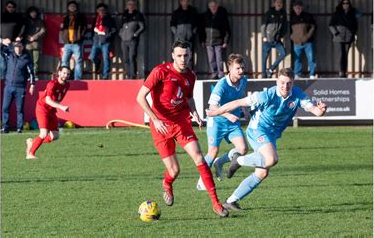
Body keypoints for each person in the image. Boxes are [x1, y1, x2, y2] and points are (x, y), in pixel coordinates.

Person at [206, 68, 327, 211]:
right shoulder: (266, 95)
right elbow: (238, 102)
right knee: (271, 159)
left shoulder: (297, 95)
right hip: (258, 129)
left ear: (293, 83)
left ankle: (231, 201)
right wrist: (216, 112)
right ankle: (238, 160)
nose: (285, 86)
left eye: (289, 83)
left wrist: (321, 110)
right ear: (277, 81)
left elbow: (315, 111)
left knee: (262, 172)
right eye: (282, 83)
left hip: (271, 134)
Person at [136, 40, 229, 217]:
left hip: (181, 123)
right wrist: (155, 120)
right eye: (179, 55)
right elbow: (140, 97)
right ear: (172, 56)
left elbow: (189, 98)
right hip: (161, 126)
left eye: (186, 55)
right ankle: (167, 184)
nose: (183, 59)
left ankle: (216, 204)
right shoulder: (160, 72)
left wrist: (194, 113)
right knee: (174, 170)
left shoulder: (190, 76)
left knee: (199, 158)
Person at [196, 54, 249, 191]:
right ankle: (202, 179)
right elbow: (213, 107)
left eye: (242, 67)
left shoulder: (243, 80)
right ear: (229, 69)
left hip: (232, 123)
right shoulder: (222, 85)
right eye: (238, 68)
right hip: (217, 122)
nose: (241, 71)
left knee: (243, 149)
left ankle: (219, 163)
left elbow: (242, 95)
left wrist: (245, 110)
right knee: (212, 152)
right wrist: (227, 115)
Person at [26, 66, 71, 159]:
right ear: (59, 73)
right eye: (64, 73)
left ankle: (32, 142)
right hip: (42, 108)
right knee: (43, 133)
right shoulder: (52, 84)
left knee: (55, 136)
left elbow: (57, 99)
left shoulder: (67, 85)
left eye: (68, 74)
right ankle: (30, 154)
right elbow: (48, 100)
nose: (66, 75)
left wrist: (58, 106)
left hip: (51, 110)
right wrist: (62, 107)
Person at [1, 41, 35, 134]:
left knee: (19, 109)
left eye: (19, 47)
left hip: (20, 88)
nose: (17, 48)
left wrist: (32, 85)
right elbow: (0, 49)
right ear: (14, 48)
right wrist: (2, 41)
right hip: (8, 86)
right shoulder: (9, 55)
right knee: (5, 108)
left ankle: (19, 128)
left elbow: (31, 72)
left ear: (22, 47)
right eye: (16, 47)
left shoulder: (26, 58)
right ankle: (5, 128)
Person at [199, 0, 231, 79]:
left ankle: (220, 74)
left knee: (219, 59)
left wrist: (225, 41)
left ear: (217, 6)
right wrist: (202, 40)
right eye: (211, 6)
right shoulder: (205, 16)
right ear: (209, 7)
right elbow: (201, 29)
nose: (213, 8)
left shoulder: (221, 16)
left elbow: (227, 29)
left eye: (214, 6)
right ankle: (214, 73)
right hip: (208, 42)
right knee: (211, 59)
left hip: (219, 41)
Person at [329, 0, 358, 78]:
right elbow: (331, 25)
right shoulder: (336, 13)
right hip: (338, 38)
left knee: (345, 55)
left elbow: (355, 26)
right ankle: (340, 72)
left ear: (349, 4)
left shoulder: (352, 14)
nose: (345, 5)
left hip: (348, 38)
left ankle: (344, 72)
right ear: (341, 4)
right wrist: (336, 33)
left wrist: (352, 33)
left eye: (347, 3)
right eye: (344, 3)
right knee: (340, 55)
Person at [261, 0, 288, 78]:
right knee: (264, 57)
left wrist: (281, 35)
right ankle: (264, 75)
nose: (279, 4)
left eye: (281, 3)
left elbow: (285, 26)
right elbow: (263, 25)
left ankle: (271, 69)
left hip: (277, 40)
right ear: (274, 4)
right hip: (268, 39)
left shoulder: (283, 13)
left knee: (283, 53)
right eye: (277, 2)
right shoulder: (269, 12)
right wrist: (264, 36)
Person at [119, 0, 145, 79]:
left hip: (132, 40)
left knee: (132, 58)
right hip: (124, 40)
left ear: (135, 6)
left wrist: (135, 34)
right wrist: (121, 34)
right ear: (127, 5)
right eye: (129, 4)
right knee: (125, 59)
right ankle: (128, 75)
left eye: (132, 4)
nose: (131, 6)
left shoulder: (138, 15)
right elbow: (121, 26)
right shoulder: (124, 14)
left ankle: (132, 76)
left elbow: (142, 27)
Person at [89, 3, 117, 80]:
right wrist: (93, 38)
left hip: (105, 42)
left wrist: (107, 36)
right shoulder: (96, 19)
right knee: (92, 57)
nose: (101, 11)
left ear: (105, 11)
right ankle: (98, 63)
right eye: (99, 10)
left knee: (106, 59)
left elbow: (114, 30)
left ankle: (105, 76)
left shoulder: (110, 19)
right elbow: (92, 30)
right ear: (97, 11)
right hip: (96, 42)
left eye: (103, 10)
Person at [290, 1, 317, 79]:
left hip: (308, 42)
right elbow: (288, 29)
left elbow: (313, 27)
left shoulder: (308, 16)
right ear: (293, 8)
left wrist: (307, 36)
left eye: (299, 7)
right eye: (296, 7)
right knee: (297, 59)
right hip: (296, 43)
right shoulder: (291, 17)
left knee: (311, 58)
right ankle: (297, 74)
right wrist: (292, 37)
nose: (298, 9)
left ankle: (312, 74)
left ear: (302, 8)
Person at [170, 0, 198, 68]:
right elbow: (172, 25)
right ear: (180, 2)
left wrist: (192, 33)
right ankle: (178, 71)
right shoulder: (176, 12)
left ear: (188, 2)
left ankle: (188, 71)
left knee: (189, 55)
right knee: (178, 55)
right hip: (179, 39)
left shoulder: (193, 11)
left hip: (190, 39)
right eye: (183, 1)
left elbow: (197, 23)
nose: (185, 2)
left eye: (186, 1)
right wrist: (177, 34)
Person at [61, 0, 87, 80]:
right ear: (68, 8)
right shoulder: (66, 17)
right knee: (64, 61)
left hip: (77, 43)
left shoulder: (81, 17)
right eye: (70, 6)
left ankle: (77, 79)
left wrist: (80, 37)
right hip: (67, 43)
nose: (72, 7)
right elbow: (63, 29)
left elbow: (85, 28)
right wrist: (64, 38)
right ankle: (64, 77)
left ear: (76, 8)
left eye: (74, 6)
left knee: (78, 62)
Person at [1, 0, 25, 79]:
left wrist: (19, 37)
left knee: (13, 64)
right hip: (1, 44)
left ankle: (10, 80)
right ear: (6, 7)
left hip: (13, 44)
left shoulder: (18, 16)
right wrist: (2, 40)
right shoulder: (1, 16)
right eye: (9, 7)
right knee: (2, 65)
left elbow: (23, 27)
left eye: (13, 7)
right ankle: (2, 81)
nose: (11, 8)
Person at [23, 6, 46, 79]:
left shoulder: (40, 21)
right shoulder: (25, 21)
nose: (33, 14)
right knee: (27, 60)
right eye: (32, 12)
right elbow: (22, 30)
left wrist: (34, 37)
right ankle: (28, 74)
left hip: (36, 45)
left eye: (35, 12)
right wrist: (27, 37)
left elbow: (43, 31)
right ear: (29, 13)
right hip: (27, 45)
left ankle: (34, 74)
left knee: (35, 61)